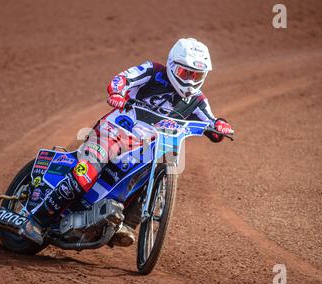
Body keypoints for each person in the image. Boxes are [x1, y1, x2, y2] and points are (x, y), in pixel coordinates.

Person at [20, 38, 234, 247]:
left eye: (196, 75)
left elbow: (212, 123)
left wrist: (220, 126)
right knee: (87, 173)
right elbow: (122, 79)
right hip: (113, 132)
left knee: (151, 174)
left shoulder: (197, 100)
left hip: (144, 148)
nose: (190, 80)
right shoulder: (152, 71)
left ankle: (127, 225)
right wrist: (117, 92)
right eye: (184, 73)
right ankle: (37, 220)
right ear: (171, 65)